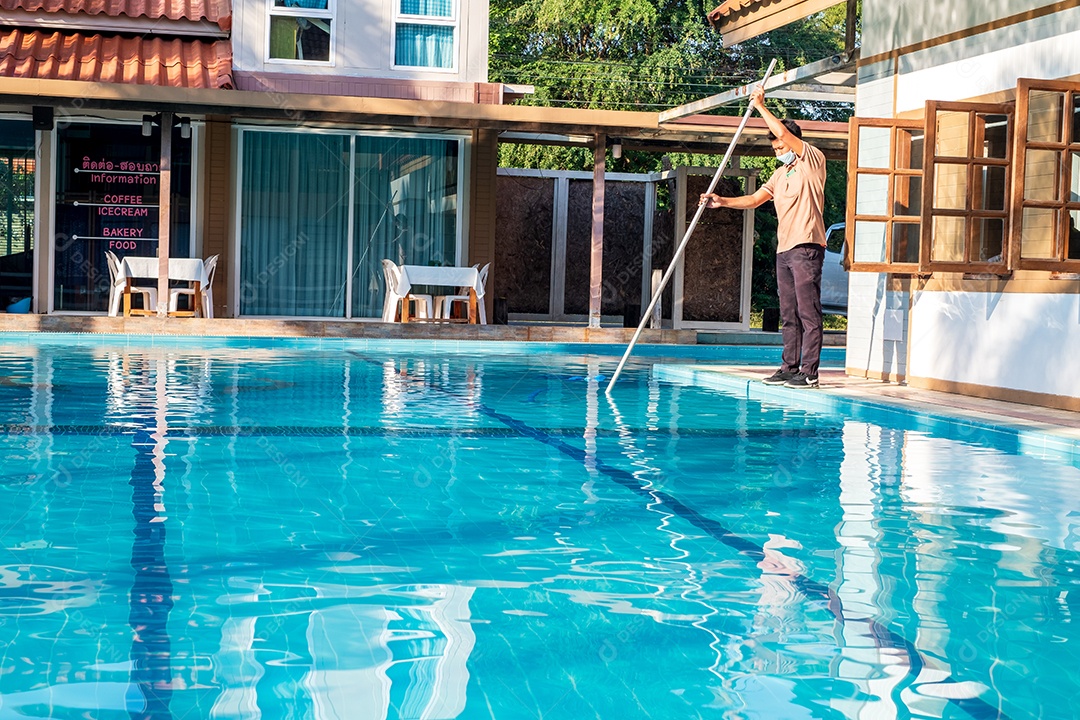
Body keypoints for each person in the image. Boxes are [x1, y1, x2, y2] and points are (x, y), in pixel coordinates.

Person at [699, 85, 828, 389]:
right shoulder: (780, 174)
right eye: (774, 149)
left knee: (808, 312)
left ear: (793, 143)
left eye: (780, 147)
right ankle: (789, 366)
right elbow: (757, 199)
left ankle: (810, 372)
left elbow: (782, 134)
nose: (777, 151)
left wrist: (759, 106)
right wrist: (723, 202)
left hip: (807, 247)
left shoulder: (813, 161)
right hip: (784, 250)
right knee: (788, 313)